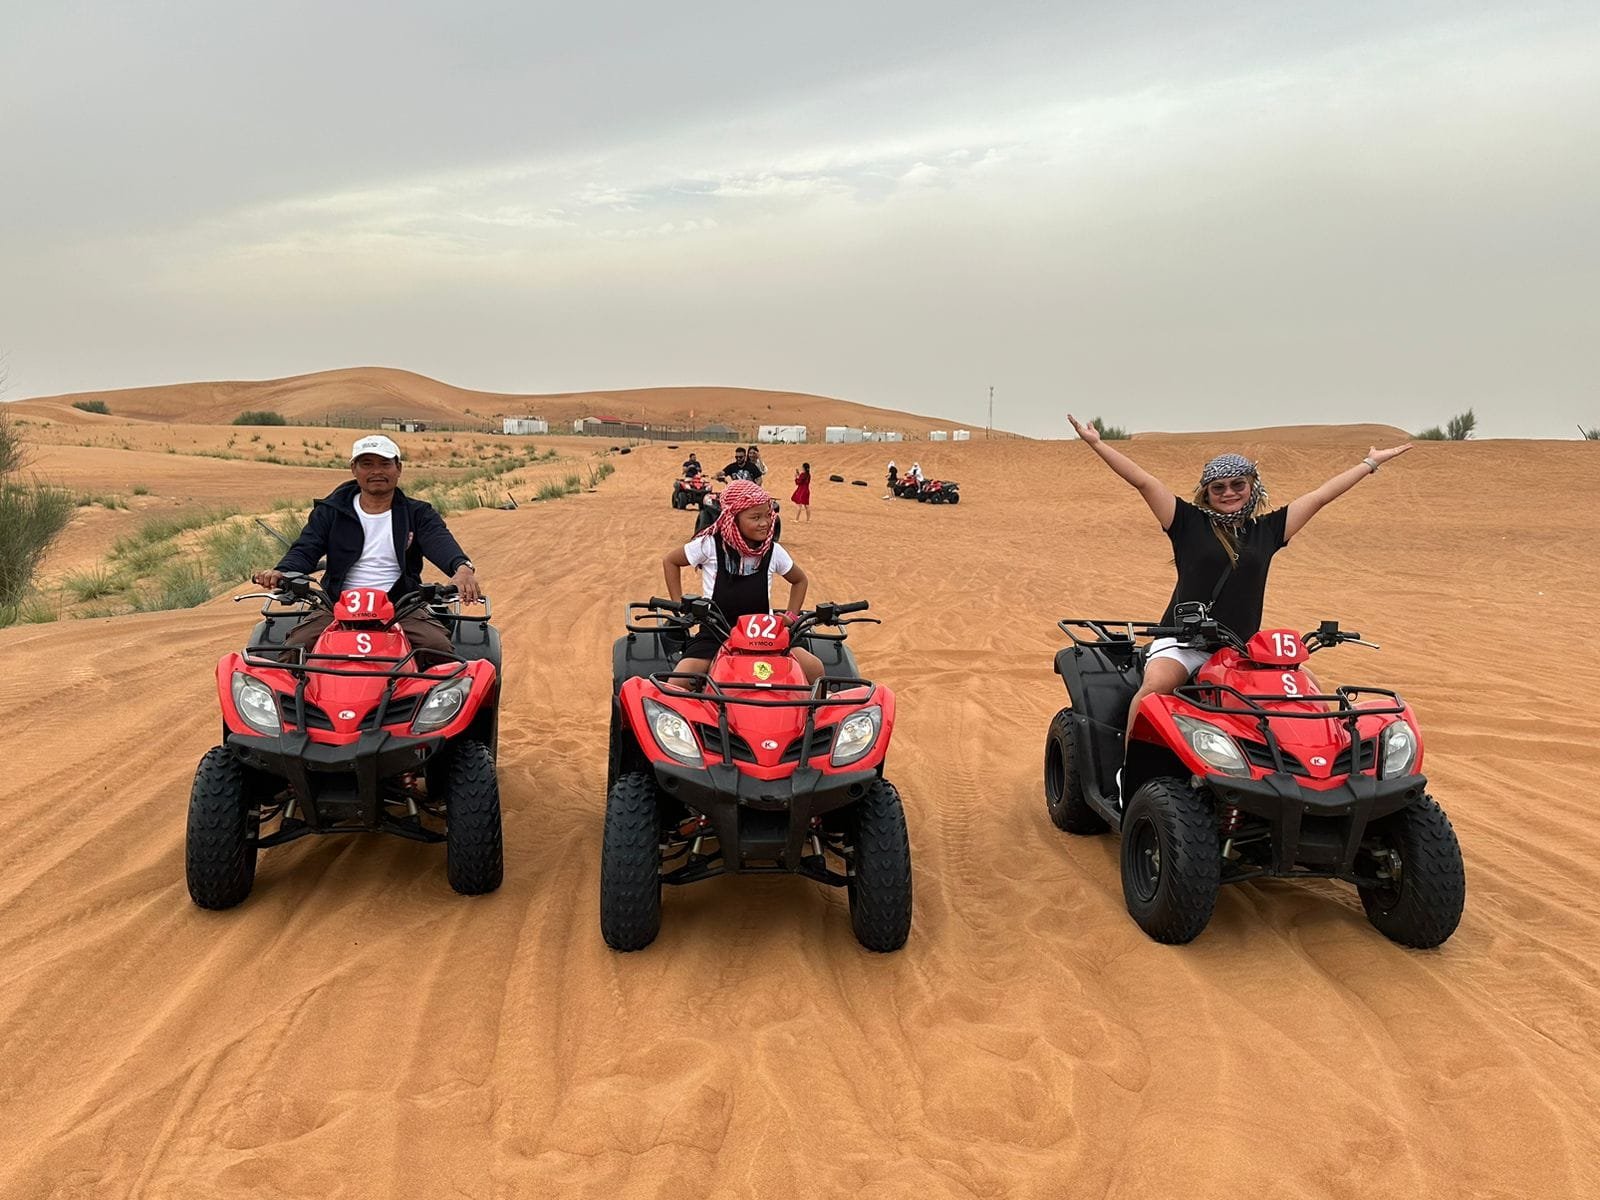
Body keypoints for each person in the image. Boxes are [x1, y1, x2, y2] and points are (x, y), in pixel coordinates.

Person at [1065, 413, 1413, 744]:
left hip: (1241, 650)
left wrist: (1369, 464)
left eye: (1237, 484)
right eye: (1218, 487)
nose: (1228, 493)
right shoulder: (1186, 522)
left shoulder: (1268, 530)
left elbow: (1321, 496)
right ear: (1207, 492)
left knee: (1308, 689)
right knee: (1155, 689)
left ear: (1251, 486)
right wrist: (1097, 443)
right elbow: (1143, 481)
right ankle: (1128, 772)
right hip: (1183, 643)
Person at [251, 434, 481, 663]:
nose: (376, 471)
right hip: (337, 604)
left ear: (398, 468)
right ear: (354, 468)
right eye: (367, 464)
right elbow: (305, 549)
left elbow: (440, 541)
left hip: (400, 605)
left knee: (438, 649)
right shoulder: (330, 511)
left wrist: (462, 568)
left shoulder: (418, 513)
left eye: (385, 464)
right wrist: (283, 571)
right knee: (295, 650)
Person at [662, 479, 823, 684]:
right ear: (733, 518)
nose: (765, 523)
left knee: (815, 669)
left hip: (765, 635)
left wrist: (791, 616)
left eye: (768, 515)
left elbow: (800, 580)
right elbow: (671, 561)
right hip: (717, 633)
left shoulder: (772, 551)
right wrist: (680, 606)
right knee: (678, 682)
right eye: (755, 517)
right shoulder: (710, 545)